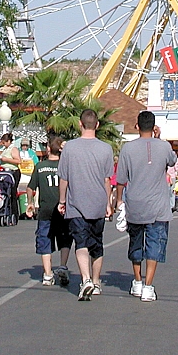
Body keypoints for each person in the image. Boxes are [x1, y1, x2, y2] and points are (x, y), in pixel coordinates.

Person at [115, 111, 176, 302]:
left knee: (136, 243)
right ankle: (148, 286)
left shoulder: (127, 149)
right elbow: (172, 160)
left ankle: (137, 280)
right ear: (154, 126)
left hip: (135, 204)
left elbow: (121, 180)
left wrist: (119, 200)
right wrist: (159, 138)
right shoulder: (164, 146)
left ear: (137, 126)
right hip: (158, 205)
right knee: (154, 243)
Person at [57, 109, 114, 301]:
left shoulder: (70, 148)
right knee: (97, 243)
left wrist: (62, 200)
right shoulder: (106, 149)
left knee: (80, 242)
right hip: (98, 202)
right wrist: (108, 203)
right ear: (97, 125)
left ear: (80, 124)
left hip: (76, 204)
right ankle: (96, 281)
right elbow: (107, 180)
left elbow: (63, 178)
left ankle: (86, 278)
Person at [26, 135, 72, 287]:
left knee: (45, 239)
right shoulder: (65, 165)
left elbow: (30, 187)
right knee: (65, 238)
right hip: (63, 208)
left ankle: (47, 273)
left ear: (47, 149)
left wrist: (30, 203)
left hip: (45, 210)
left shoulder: (40, 167)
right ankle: (63, 266)